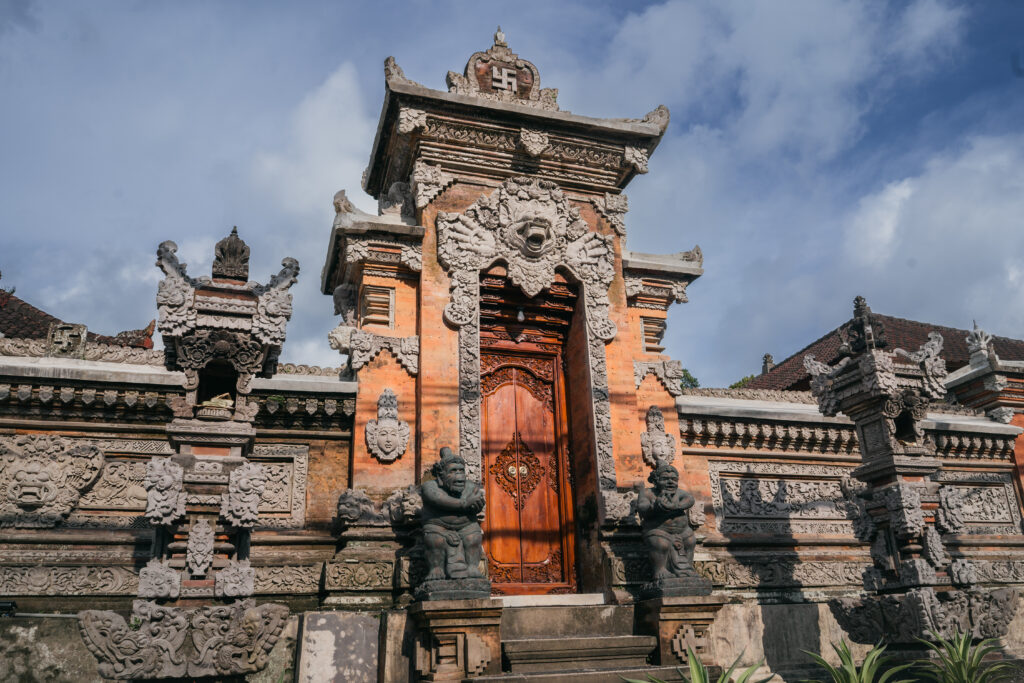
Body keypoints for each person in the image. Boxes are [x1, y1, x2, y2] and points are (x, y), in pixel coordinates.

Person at [420, 447, 486, 581]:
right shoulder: (430, 487)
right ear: (441, 475)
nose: (459, 475)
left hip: (466, 525)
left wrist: (477, 506)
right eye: (453, 471)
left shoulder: (471, 487)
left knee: (473, 538)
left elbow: (477, 504)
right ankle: (436, 568)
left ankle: (472, 567)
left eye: (461, 470)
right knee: (435, 541)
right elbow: (439, 500)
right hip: (438, 526)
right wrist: (464, 503)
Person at [637, 461, 697, 581]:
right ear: (656, 481)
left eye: (674, 479)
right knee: (660, 544)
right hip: (658, 530)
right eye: (665, 479)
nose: (670, 482)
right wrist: (655, 508)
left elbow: (690, 499)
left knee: (690, 541)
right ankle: (660, 570)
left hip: (683, 531)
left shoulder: (679, 493)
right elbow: (642, 507)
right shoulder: (648, 493)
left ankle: (687, 569)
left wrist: (677, 506)